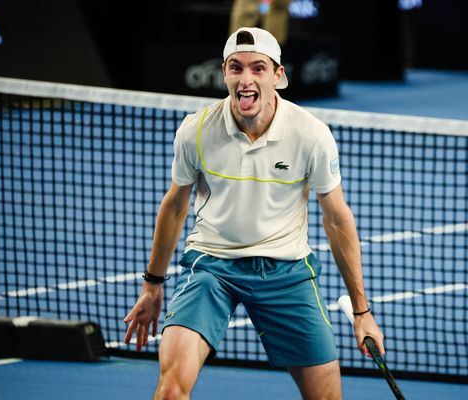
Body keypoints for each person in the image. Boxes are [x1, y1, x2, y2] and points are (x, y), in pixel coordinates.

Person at [124, 27, 385, 400]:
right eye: (236, 68)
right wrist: (152, 284)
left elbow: (336, 219)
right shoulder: (195, 131)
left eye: (258, 68)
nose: (246, 80)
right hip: (212, 267)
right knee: (169, 393)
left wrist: (362, 312)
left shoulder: (311, 135)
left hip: (286, 271)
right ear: (225, 73)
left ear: (279, 75)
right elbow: (176, 204)